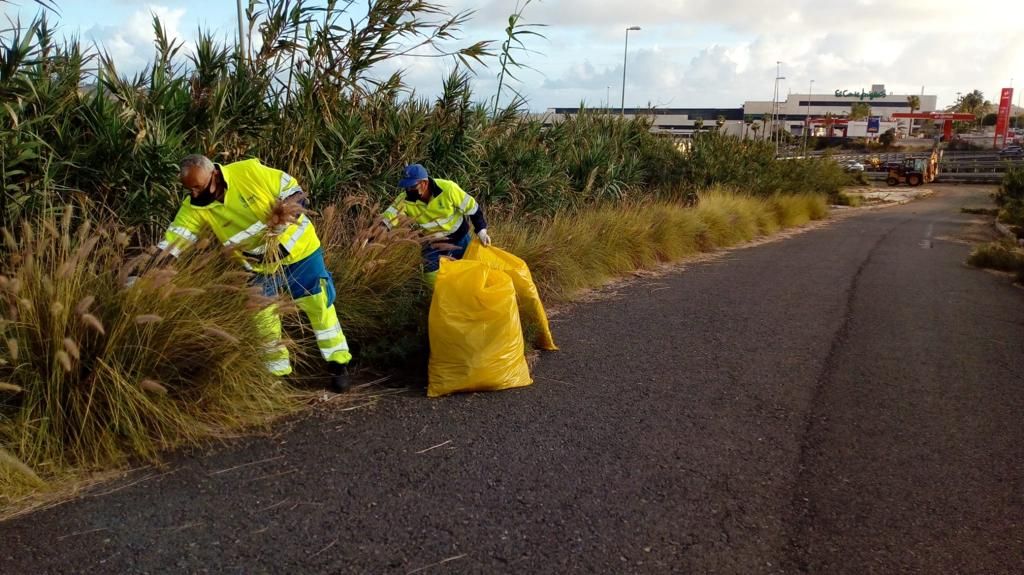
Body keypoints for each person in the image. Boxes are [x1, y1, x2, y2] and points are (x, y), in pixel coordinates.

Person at [141, 155, 352, 392]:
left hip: (300, 252)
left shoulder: (249, 172)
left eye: (198, 187)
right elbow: (173, 242)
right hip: (258, 267)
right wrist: (146, 269)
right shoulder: (194, 208)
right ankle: (277, 378)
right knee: (264, 321)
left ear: (215, 176)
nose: (195, 194)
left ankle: (338, 365)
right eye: (189, 189)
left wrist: (288, 213)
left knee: (318, 304)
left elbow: (296, 192)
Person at [380, 164, 491, 285]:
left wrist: (482, 231)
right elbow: (389, 218)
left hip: (460, 239)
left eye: (412, 186)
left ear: (424, 183)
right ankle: (440, 298)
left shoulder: (448, 189)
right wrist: (373, 235)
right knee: (430, 274)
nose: (408, 190)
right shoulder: (405, 200)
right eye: (406, 187)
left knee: (470, 274)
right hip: (433, 244)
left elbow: (473, 208)